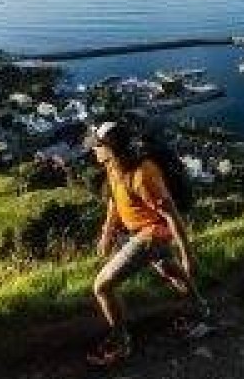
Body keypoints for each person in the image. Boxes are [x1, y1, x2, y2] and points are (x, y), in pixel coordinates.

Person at [85, 121, 208, 366]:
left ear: (110, 149)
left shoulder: (143, 175)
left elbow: (171, 214)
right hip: (142, 233)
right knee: (170, 270)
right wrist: (107, 235)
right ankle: (201, 310)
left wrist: (188, 253)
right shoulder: (114, 166)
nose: (93, 150)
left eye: (97, 146)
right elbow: (113, 201)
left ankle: (121, 342)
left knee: (102, 286)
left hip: (149, 235)